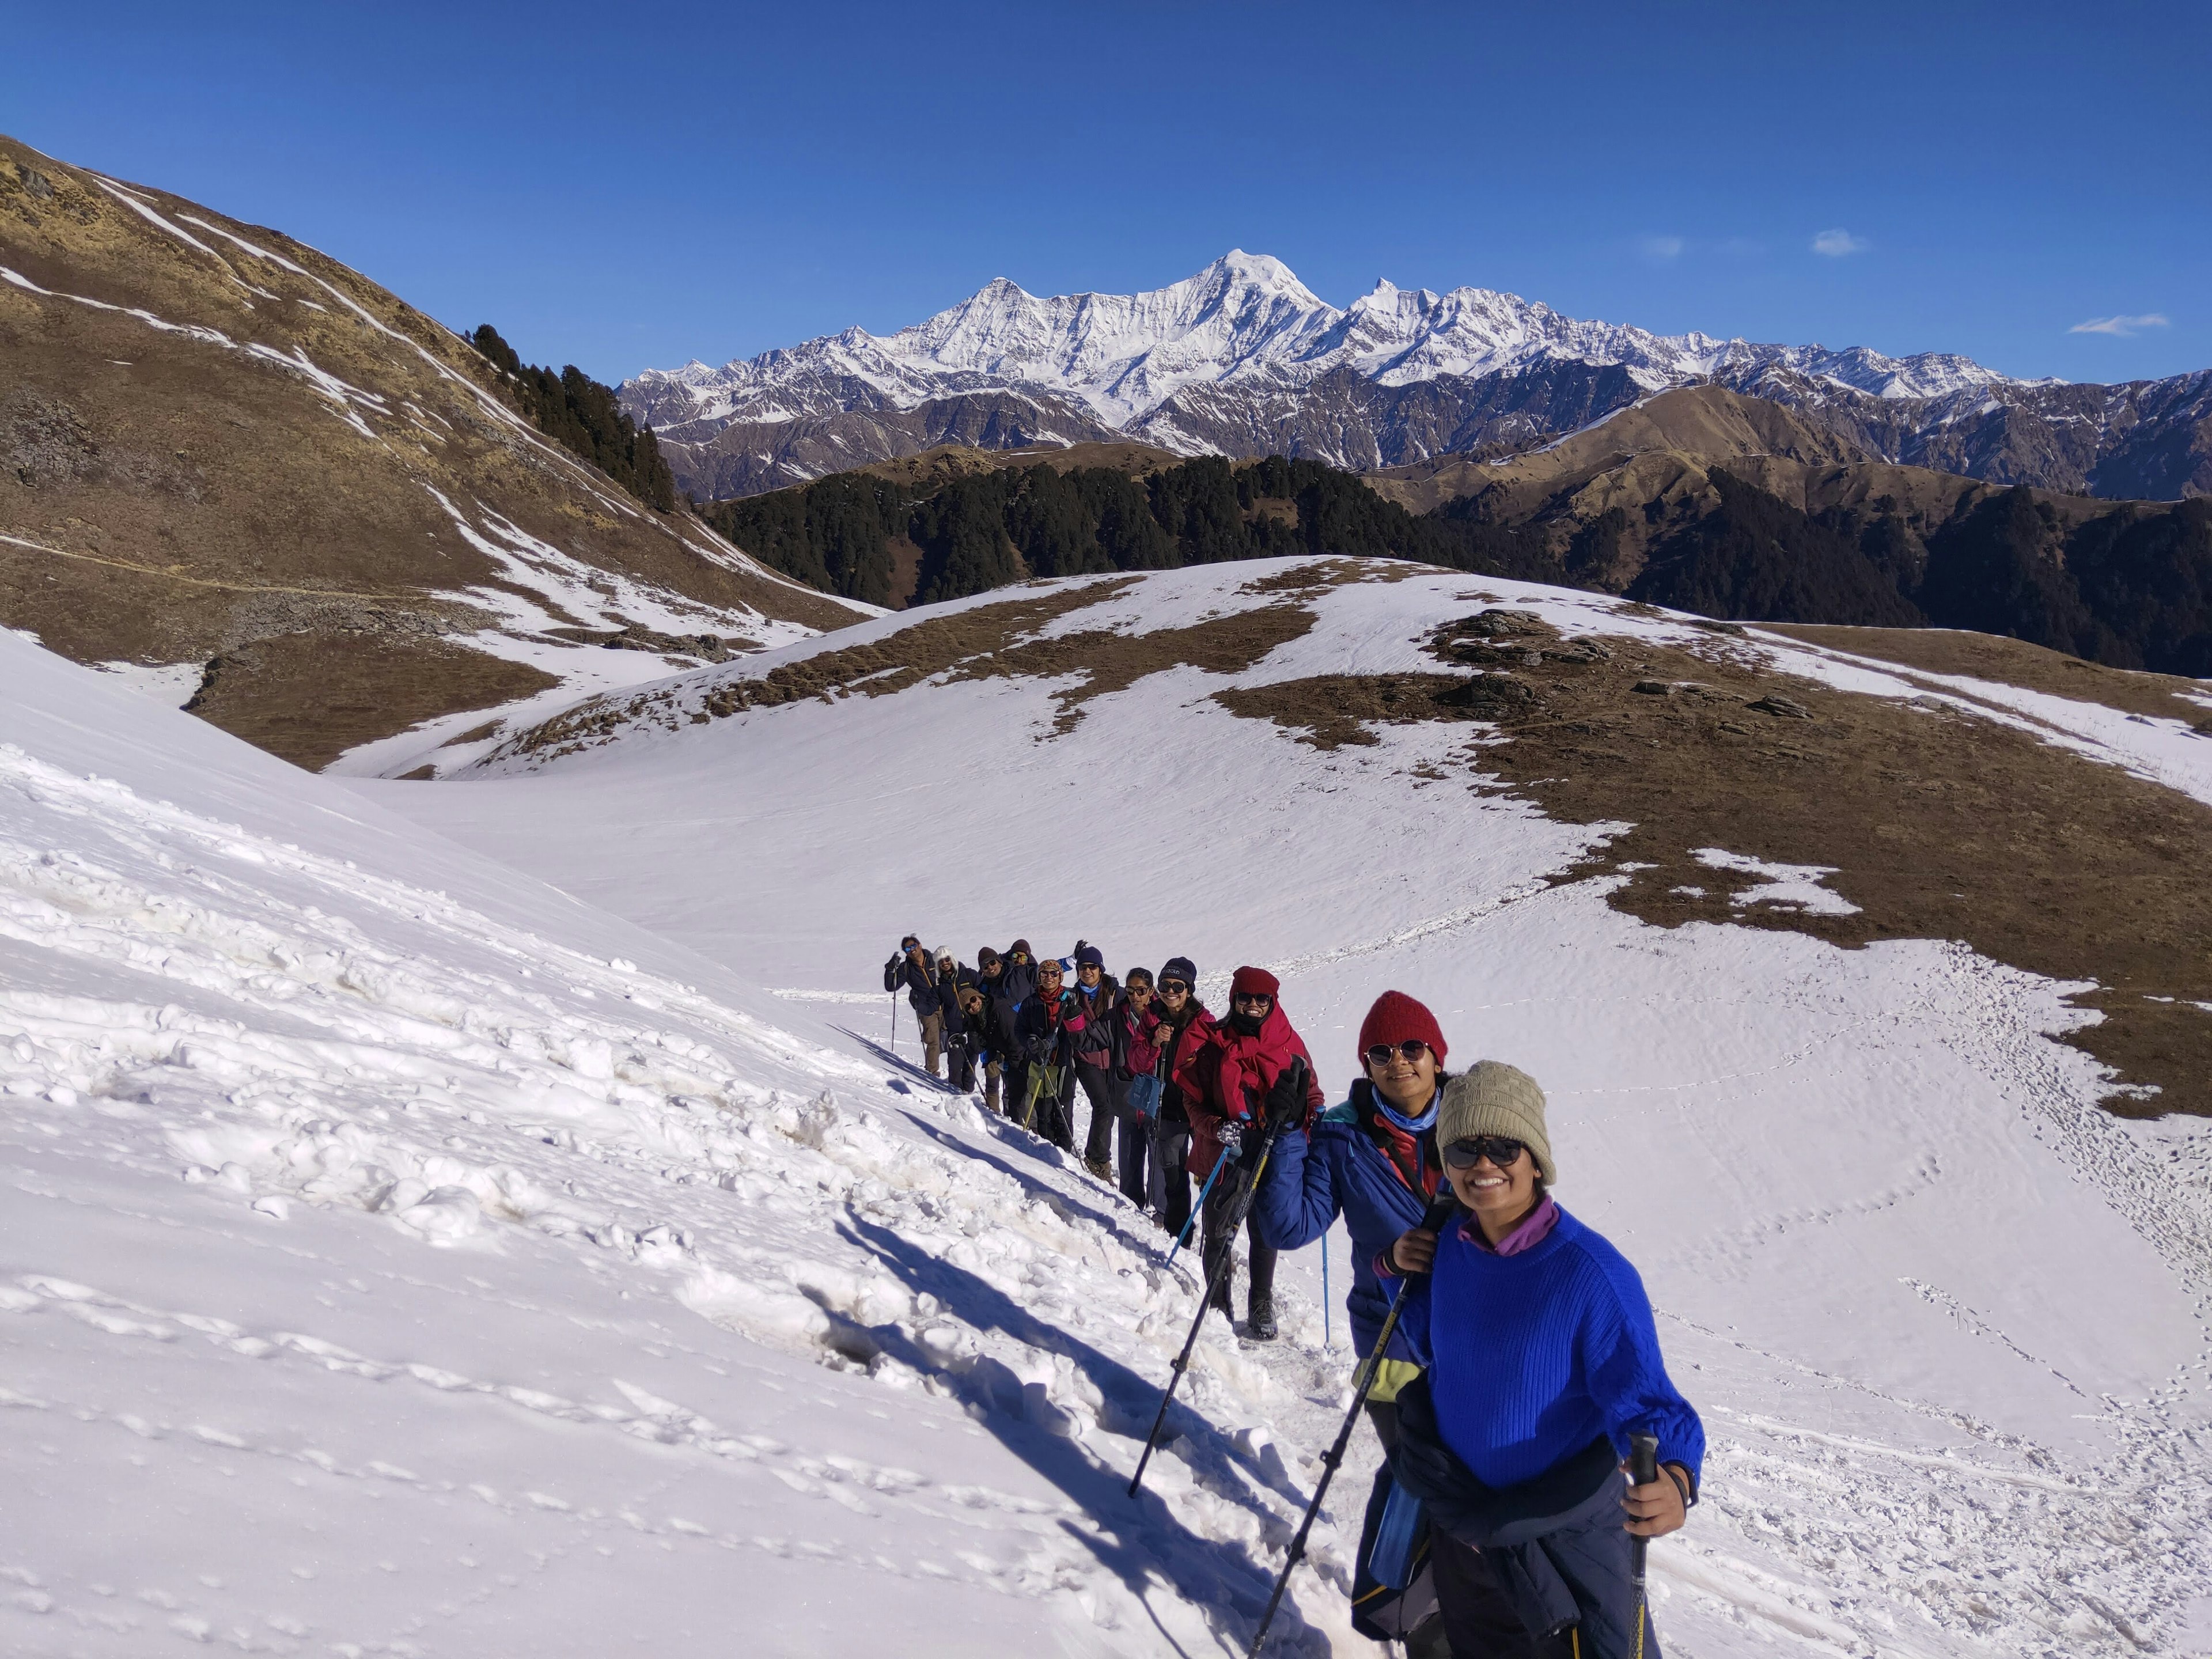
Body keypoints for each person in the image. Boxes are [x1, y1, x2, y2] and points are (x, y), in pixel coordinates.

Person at [1380, 1062, 1703, 1658]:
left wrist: (1677, 1481)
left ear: (1535, 1160)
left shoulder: (1591, 1274)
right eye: (1464, 1148)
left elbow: (1652, 1405)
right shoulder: (1448, 1244)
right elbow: (1434, 1347)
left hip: (1556, 1539)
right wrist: (1394, 1266)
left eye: (1504, 1146)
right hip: (1464, 1526)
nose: (1483, 1165)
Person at [1252, 991, 1450, 1449]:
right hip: (1392, 1335)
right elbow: (1289, 1228)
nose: (1397, 1061)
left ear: (1437, 1058)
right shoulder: (1341, 1134)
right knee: (1418, 1482)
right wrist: (1285, 1134)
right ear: (1368, 1066)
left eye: (1412, 1048)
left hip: (1479, 1336)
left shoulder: (1477, 1124)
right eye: (1381, 1053)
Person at [1175, 965, 1325, 1341]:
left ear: (1273, 1002)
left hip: (1275, 1147)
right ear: (1234, 999)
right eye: (1246, 998)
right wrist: (1216, 1127)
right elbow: (1192, 1101)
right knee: (1219, 1230)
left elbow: (1310, 1092)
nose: (1254, 1005)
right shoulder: (1213, 1043)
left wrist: (1316, 1115)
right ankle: (1217, 1308)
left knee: (1266, 1228)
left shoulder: (1289, 1043)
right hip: (1229, 1148)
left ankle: (1261, 1305)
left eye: (1263, 999)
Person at [1148, 958, 1209, 1239]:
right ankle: (1179, 1234)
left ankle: (1211, 1239)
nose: (1170, 991)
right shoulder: (1152, 1017)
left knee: (1208, 1176)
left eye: (1178, 986)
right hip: (1170, 1108)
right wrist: (1154, 1043)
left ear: (1189, 989)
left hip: (1200, 1109)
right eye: (1165, 985)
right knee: (1173, 1177)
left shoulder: (1204, 1022)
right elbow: (1136, 1061)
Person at [1063, 944, 1122, 1180]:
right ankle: (1097, 1160)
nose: (1087, 971)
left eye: (1092, 967)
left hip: (1113, 1058)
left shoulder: (1116, 993)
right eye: (1082, 967)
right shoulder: (1073, 996)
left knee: (1112, 1109)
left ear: (1101, 969)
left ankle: (1098, 1157)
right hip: (1086, 1060)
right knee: (1103, 1106)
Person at [1105, 967, 1162, 1207]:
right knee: (1129, 1153)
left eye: (1141, 991)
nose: (1136, 996)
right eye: (1130, 991)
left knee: (1159, 1154)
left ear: (1151, 991)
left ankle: (1162, 1210)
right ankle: (1131, 1205)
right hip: (1129, 1089)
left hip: (1159, 1092)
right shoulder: (1118, 1015)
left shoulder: (1164, 1015)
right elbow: (1093, 1036)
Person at [1012, 956, 1076, 1150]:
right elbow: (1019, 1029)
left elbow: (1078, 1028)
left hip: (1063, 1061)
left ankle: (1065, 1151)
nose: (1049, 977)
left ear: (1061, 977)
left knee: (1063, 1110)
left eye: (1053, 973)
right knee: (1043, 1109)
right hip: (1039, 1062)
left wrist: (1059, 1040)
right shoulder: (1031, 1002)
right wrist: (1029, 1041)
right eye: (1044, 973)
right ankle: (1048, 1149)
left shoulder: (1069, 999)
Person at [882, 936, 943, 1077]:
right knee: (933, 1040)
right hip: (926, 1007)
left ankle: (956, 1077)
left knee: (952, 1039)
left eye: (913, 946)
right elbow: (892, 986)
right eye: (908, 949)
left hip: (945, 1003)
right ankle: (932, 1074)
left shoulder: (935, 959)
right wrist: (890, 969)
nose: (912, 950)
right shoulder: (906, 968)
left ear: (920, 945)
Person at [967, 946, 1007, 1111]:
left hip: (1010, 1036)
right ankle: (993, 1113)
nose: (990, 967)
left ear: (999, 961)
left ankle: (1014, 1120)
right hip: (991, 1037)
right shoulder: (983, 987)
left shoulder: (1011, 977)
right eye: (985, 966)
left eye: (992, 962)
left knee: (1013, 1084)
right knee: (992, 1079)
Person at [935, 949, 975, 1092]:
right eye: (941, 961)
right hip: (954, 1027)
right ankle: (954, 1092)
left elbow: (984, 995)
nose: (945, 963)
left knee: (971, 1062)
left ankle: (968, 1091)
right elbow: (933, 1002)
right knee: (955, 1063)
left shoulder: (969, 975)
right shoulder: (940, 983)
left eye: (947, 959)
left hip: (974, 1025)